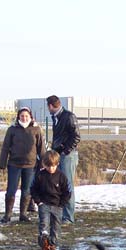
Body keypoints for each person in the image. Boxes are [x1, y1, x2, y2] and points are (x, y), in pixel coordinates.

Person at [0, 107, 45, 223]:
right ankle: (7, 214)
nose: (24, 118)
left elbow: (41, 148)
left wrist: (44, 163)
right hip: (14, 164)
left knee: (27, 190)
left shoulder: (36, 130)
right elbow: (5, 147)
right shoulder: (12, 130)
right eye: (22, 116)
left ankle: (23, 214)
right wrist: (2, 164)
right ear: (18, 117)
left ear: (30, 117)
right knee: (11, 190)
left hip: (30, 165)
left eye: (26, 116)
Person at [30, 150, 70, 250]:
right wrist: (39, 202)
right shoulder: (40, 176)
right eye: (48, 166)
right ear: (44, 165)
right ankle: (44, 240)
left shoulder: (61, 176)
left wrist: (62, 204)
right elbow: (33, 189)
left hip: (57, 206)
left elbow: (67, 192)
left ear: (57, 164)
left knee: (56, 228)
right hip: (44, 205)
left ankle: (52, 247)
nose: (51, 169)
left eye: (53, 166)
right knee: (44, 223)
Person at [46, 95, 80, 224]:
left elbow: (76, 136)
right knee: (59, 184)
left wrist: (65, 150)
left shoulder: (68, 116)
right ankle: (60, 214)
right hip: (59, 154)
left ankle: (68, 216)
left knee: (67, 184)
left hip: (67, 156)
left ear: (50, 106)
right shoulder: (57, 117)